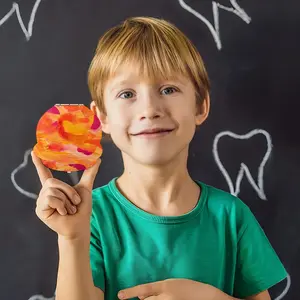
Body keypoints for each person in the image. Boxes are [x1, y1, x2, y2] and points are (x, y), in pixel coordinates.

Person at [32, 16, 287, 300]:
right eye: (127, 93)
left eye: (168, 89)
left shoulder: (231, 216)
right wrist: (72, 239)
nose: (150, 109)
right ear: (101, 117)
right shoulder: (91, 216)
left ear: (200, 106)